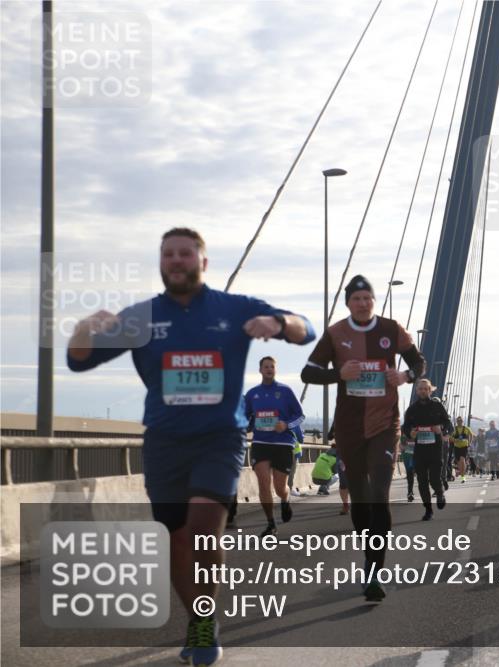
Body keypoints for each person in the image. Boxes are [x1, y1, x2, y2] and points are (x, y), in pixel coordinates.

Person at [67, 228, 315, 665]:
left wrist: (278, 323)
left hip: (219, 439)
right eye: (168, 254)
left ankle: (203, 623)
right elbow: (78, 359)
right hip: (164, 442)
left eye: (186, 253)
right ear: (161, 263)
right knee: (176, 540)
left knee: (202, 526)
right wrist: (86, 326)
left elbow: (306, 330)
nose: (177, 260)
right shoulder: (141, 318)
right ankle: (200, 619)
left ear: (203, 262)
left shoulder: (234, 308)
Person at [301, 275, 425, 602]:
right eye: (356, 299)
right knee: (359, 498)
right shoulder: (336, 334)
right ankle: (367, 558)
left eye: (367, 297)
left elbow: (418, 362)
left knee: (379, 496)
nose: (363, 303)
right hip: (350, 427)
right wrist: (337, 375)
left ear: (374, 300)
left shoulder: (391, 329)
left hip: (385, 424)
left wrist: (404, 376)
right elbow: (307, 373)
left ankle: (374, 573)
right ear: (348, 303)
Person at [245, 356, 305, 536]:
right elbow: (243, 416)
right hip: (261, 443)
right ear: (260, 370)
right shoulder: (252, 393)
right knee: (264, 484)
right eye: (266, 366)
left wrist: (286, 425)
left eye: (272, 366)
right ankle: (270, 523)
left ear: (275, 370)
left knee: (280, 488)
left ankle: (285, 499)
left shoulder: (285, 391)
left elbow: (300, 416)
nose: (269, 369)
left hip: (282, 443)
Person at [402, 379, 453, 520]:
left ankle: (440, 493)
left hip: (435, 449)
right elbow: (405, 427)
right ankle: (428, 509)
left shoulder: (437, 406)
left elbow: (448, 423)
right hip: (419, 451)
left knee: (434, 479)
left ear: (430, 390)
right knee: (422, 481)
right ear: (417, 391)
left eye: (426, 389)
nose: (423, 391)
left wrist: (442, 429)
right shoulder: (412, 409)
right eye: (420, 389)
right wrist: (409, 433)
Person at [452, 416, 473, 483]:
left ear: (462, 421)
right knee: (458, 462)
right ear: (456, 422)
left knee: (462, 459)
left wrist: (469, 442)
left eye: (460, 421)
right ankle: (462, 473)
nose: (459, 422)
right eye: (458, 421)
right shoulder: (454, 429)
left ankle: (463, 477)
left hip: (464, 446)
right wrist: (455, 440)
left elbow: (471, 435)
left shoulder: (466, 428)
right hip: (456, 446)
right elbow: (450, 437)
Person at [400, 433, 417, 501]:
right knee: (410, 474)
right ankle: (410, 492)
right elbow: (401, 446)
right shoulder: (404, 429)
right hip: (408, 456)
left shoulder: (419, 428)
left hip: (417, 455)